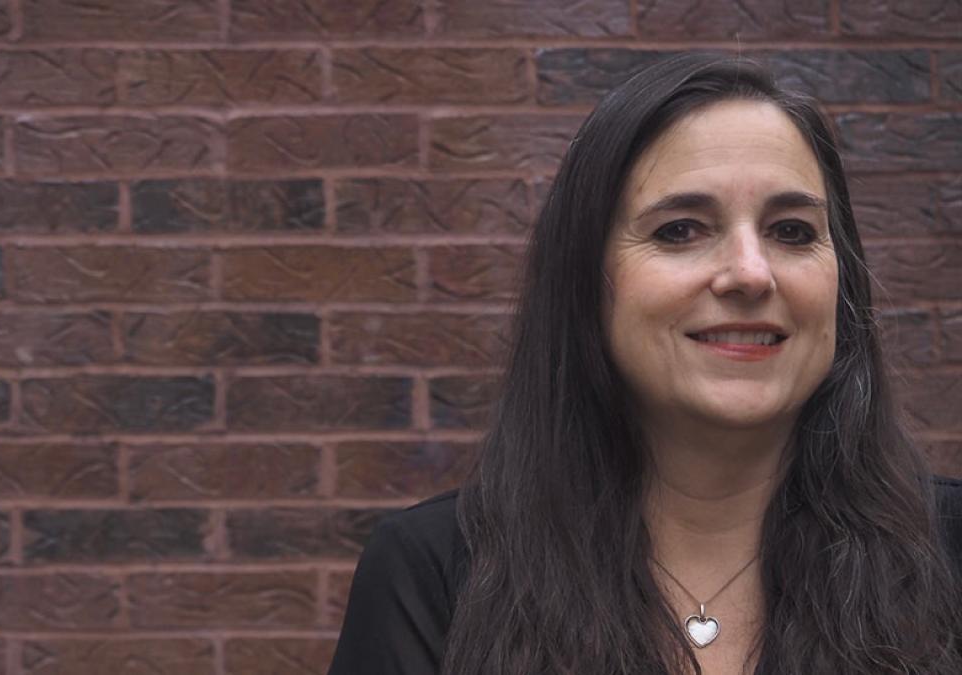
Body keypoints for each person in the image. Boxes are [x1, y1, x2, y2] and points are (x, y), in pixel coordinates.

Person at [326, 53, 962, 675]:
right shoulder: (434, 573)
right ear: (588, 281)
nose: (749, 272)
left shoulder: (949, 553)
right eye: (680, 230)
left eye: (792, 231)